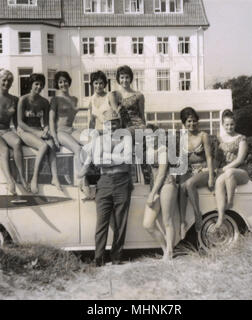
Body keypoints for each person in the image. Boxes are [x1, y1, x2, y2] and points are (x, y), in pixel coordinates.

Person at [78, 109, 133, 267]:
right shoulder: (98, 140)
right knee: (101, 222)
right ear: (104, 125)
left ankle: (116, 258)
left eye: (114, 122)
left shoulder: (126, 139)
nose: (112, 126)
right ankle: (99, 259)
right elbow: (87, 158)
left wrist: (103, 159)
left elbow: (127, 159)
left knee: (121, 223)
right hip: (105, 182)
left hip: (122, 181)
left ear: (119, 123)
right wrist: (83, 177)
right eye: (108, 123)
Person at [17, 73, 62, 194]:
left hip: (38, 130)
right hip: (25, 131)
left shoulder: (44, 102)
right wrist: (38, 133)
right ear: (31, 85)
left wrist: (46, 129)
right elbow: (20, 123)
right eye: (36, 84)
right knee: (43, 146)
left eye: (41, 85)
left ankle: (55, 177)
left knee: (51, 144)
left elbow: (46, 122)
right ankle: (34, 179)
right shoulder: (23, 99)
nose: (39, 87)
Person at [142, 126, 178, 261]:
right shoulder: (148, 151)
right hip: (155, 186)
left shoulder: (163, 150)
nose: (150, 139)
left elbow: (162, 173)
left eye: (152, 136)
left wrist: (152, 193)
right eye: (147, 136)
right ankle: (165, 249)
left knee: (167, 220)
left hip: (167, 184)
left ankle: (169, 253)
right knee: (148, 224)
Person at [178, 107, 214, 239]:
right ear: (184, 123)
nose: (192, 124)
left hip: (203, 169)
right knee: (180, 187)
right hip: (189, 170)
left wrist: (211, 177)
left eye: (194, 121)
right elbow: (182, 160)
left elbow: (210, 157)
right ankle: (182, 222)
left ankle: (197, 214)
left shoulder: (203, 135)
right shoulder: (183, 138)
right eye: (188, 121)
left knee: (189, 184)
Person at [213, 110, 249, 229]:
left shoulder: (241, 138)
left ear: (235, 124)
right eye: (227, 124)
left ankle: (230, 202)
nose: (229, 127)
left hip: (240, 172)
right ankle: (221, 216)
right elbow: (217, 159)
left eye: (232, 124)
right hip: (226, 172)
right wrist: (213, 169)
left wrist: (226, 167)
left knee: (229, 172)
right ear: (223, 125)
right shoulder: (220, 139)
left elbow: (240, 160)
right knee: (218, 182)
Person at [49, 71, 82, 175]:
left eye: (65, 81)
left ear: (69, 82)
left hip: (71, 130)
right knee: (77, 148)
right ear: (57, 84)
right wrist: (54, 137)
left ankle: (89, 172)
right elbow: (51, 120)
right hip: (60, 132)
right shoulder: (55, 99)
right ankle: (82, 179)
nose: (63, 84)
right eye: (60, 82)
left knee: (90, 142)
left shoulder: (74, 99)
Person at [108, 65, 146, 132]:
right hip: (122, 128)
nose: (124, 80)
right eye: (122, 77)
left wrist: (145, 131)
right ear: (118, 79)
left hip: (137, 127)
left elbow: (142, 115)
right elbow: (115, 115)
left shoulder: (139, 95)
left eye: (127, 77)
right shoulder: (114, 95)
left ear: (131, 78)